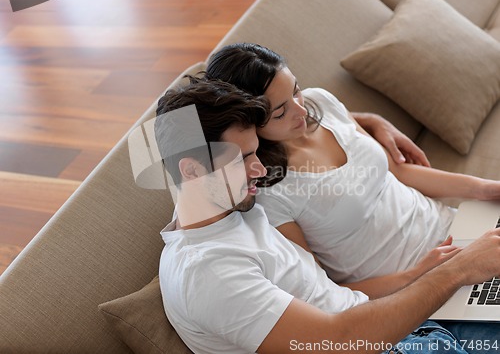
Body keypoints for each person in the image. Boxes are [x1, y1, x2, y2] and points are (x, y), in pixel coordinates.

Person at [154, 77, 500, 354]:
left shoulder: (217, 203)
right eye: (242, 158)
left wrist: (366, 121)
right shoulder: (210, 274)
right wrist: (459, 269)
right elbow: (337, 341)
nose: (259, 169)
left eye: (253, 152)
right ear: (192, 171)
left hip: (400, 323)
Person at [205, 42, 500, 298]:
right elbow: (326, 291)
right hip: (422, 286)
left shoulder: (322, 102)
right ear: (249, 121)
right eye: (281, 111)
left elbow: (400, 173)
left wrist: (487, 189)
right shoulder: (269, 193)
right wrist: (418, 277)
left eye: (296, 91)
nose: (301, 110)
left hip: (456, 229)